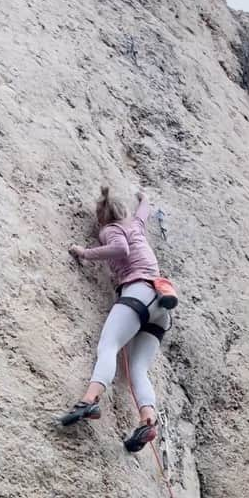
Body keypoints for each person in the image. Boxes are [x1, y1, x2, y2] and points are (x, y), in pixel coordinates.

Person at [61, 186, 177, 453]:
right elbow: (143, 213)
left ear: (102, 218)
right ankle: (148, 420)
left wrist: (84, 253)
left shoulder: (109, 230)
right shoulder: (135, 225)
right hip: (160, 306)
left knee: (109, 346)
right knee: (138, 369)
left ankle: (90, 399)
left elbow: (120, 248)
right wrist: (144, 198)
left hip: (137, 291)